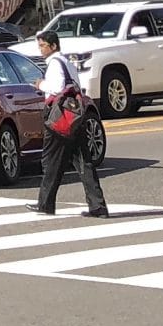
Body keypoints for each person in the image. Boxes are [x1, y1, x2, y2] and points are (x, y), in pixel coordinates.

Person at [33, 27, 107, 218]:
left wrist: (41, 84)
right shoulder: (67, 62)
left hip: (59, 118)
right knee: (84, 162)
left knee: (51, 161)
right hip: (74, 117)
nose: (41, 49)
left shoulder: (55, 63)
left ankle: (45, 205)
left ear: (53, 46)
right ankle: (98, 206)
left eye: (43, 46)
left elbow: (57, 88)